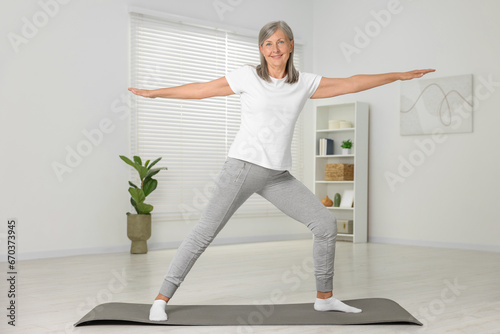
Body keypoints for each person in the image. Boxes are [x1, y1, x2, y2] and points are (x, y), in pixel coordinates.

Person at [129, 20, 435, 321]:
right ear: (261, 49)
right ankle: (160, 299)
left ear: (290, 46)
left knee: (325, 224)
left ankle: (325, 298)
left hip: (277, 175)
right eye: (267, 43)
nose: (274, 48)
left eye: (280, 42)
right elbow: (202, 90)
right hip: (242, 169)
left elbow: (351, 82)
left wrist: (397, 76)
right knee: (204, 233)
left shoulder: (303, 83)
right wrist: (156, 93)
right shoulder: (248, 77)